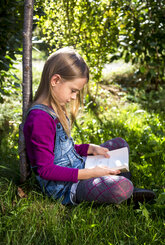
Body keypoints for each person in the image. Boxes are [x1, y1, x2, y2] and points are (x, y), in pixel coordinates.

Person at [23, 47, 155, 205]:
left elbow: (64, 152)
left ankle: (124, 191)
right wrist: (89, 173)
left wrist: (89, 149)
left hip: (77, 166)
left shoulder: (56, 108)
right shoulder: (40, 118)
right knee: (121, 187)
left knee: (120, 145)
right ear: (55, 80)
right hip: (64, 187)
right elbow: (46, 169)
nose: (73, 97)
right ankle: (125, 192)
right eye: (73, 90)